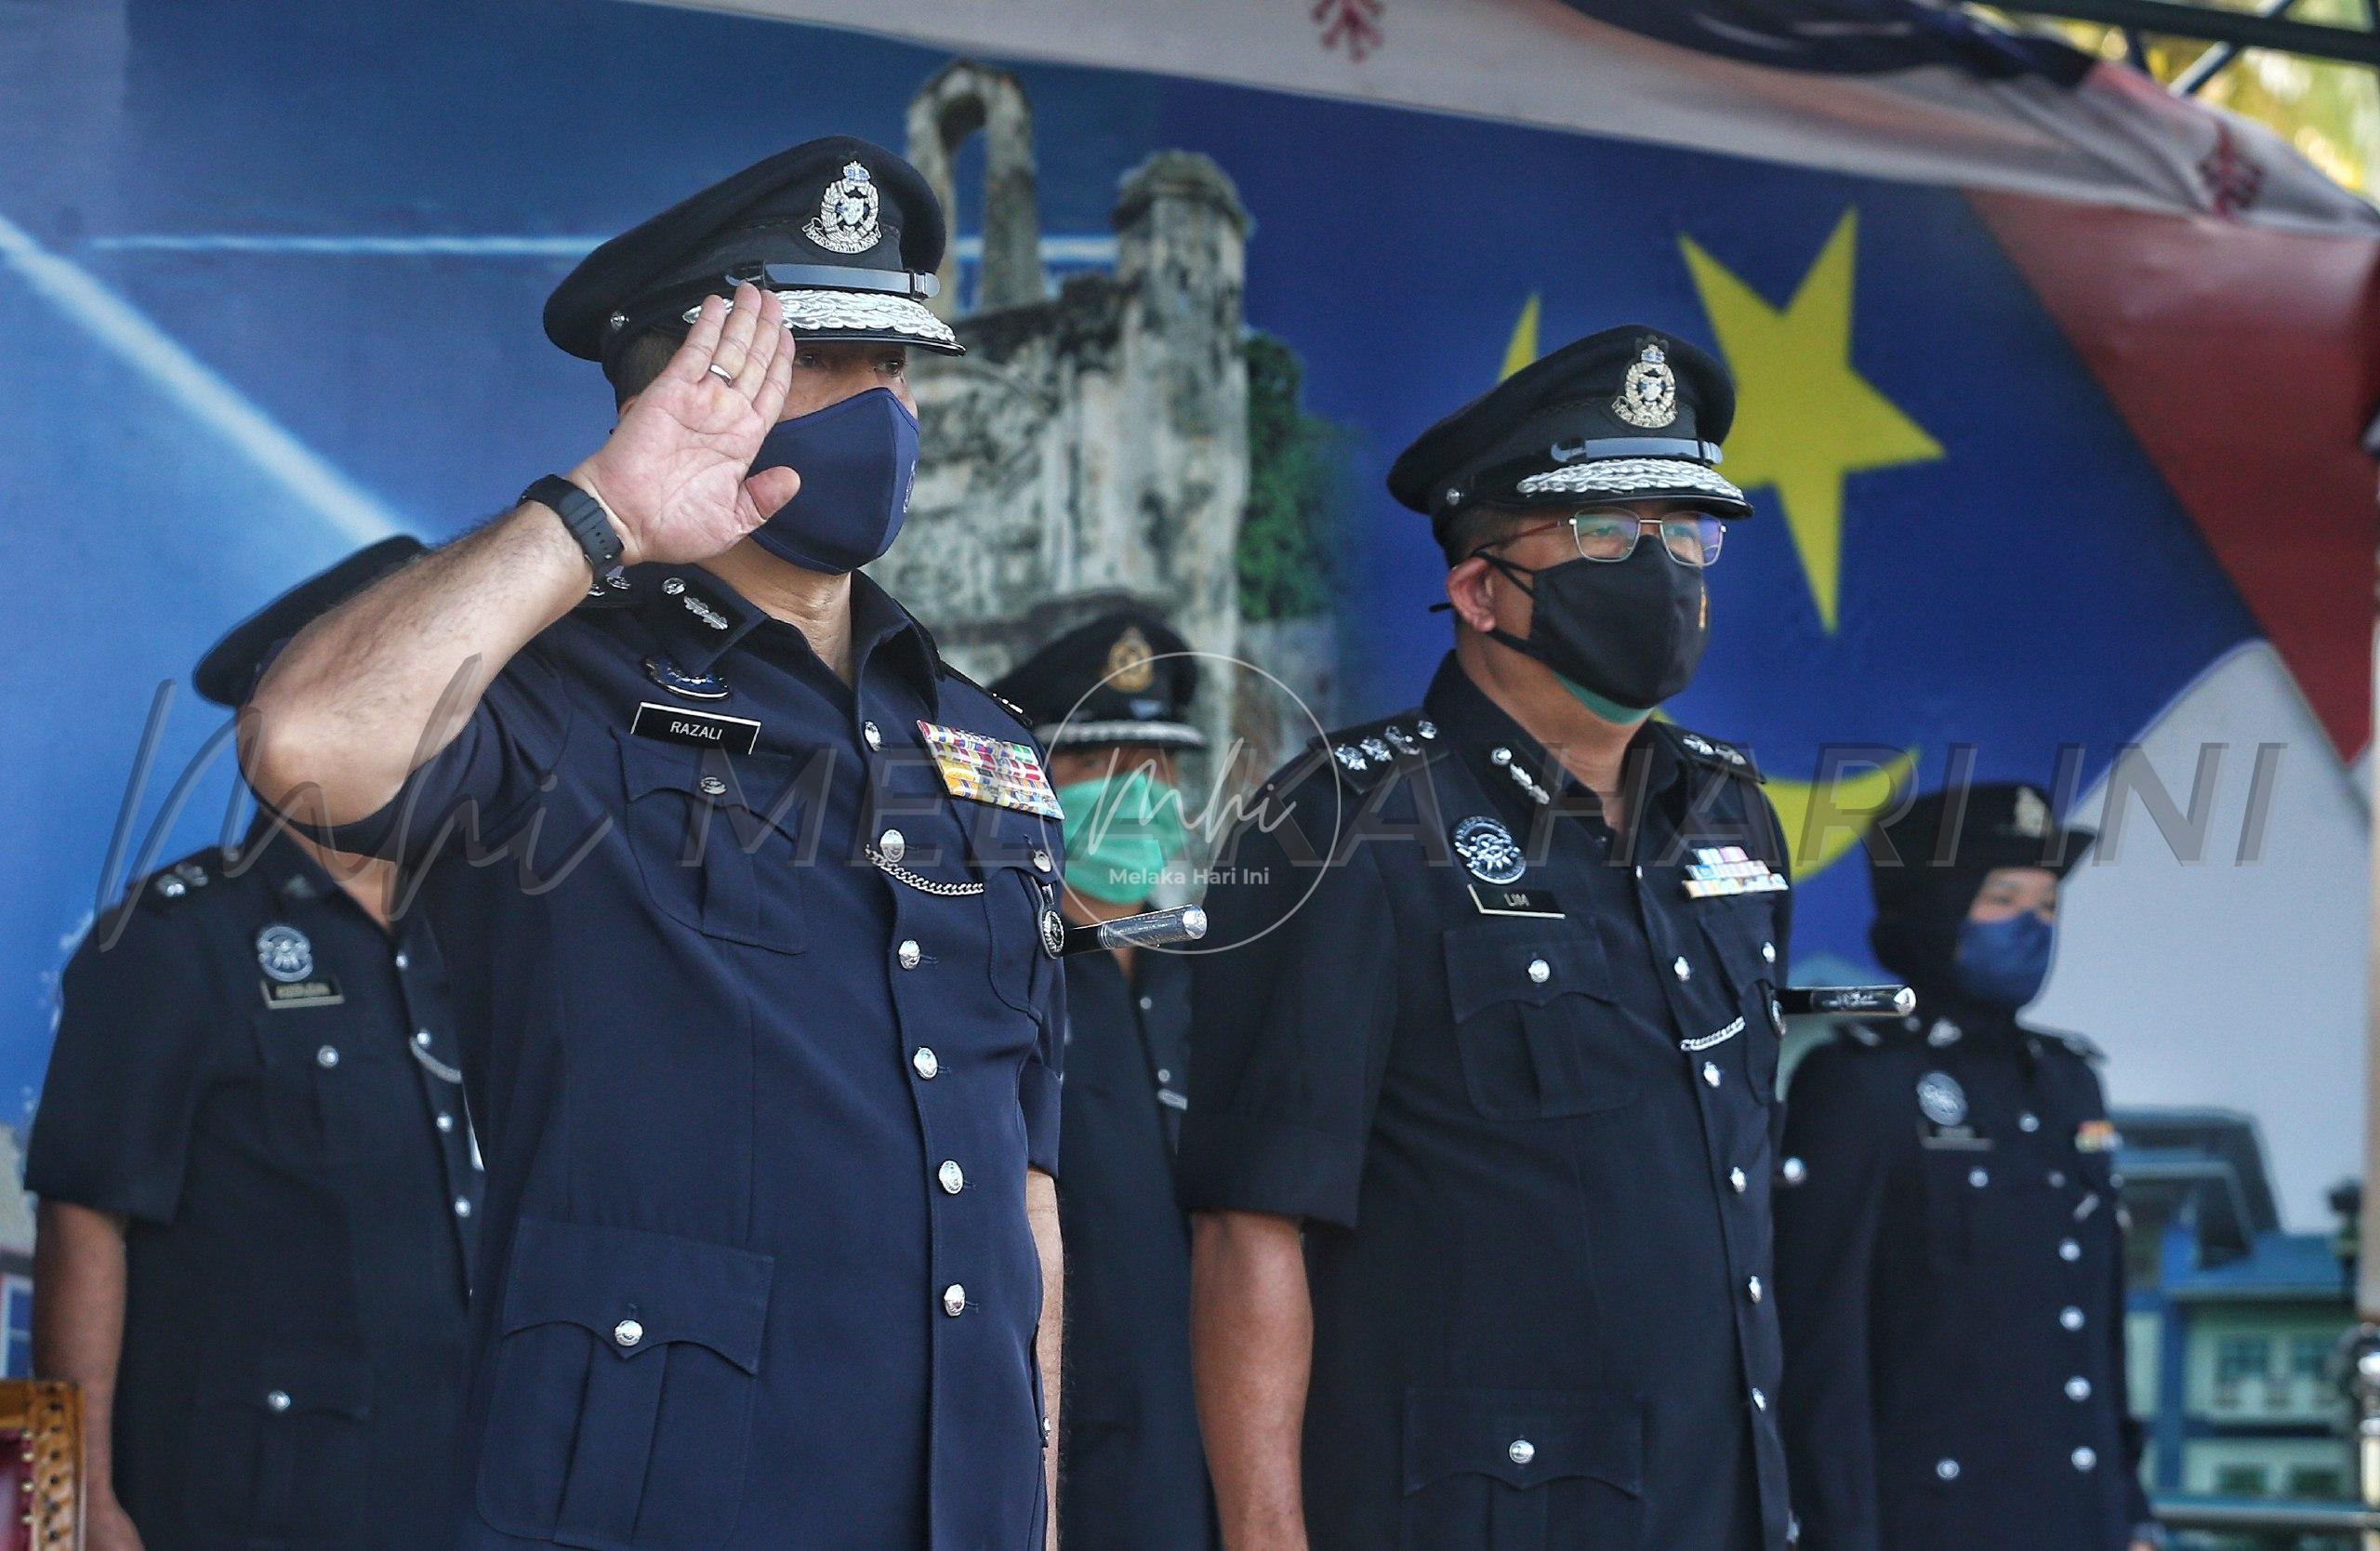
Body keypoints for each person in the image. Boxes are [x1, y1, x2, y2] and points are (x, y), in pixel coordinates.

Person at [239, 139, 1068, 1550]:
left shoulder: (987, 746)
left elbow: (1025, 1194)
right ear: (689, 381)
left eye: (896, 362)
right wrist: (607, 513)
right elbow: (310, 746)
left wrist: (1034, 1509)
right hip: (664, 1502)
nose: (884, 404)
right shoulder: (554, 689)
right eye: (825, 357)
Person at [1180, 327, 1795, 1550]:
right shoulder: (1349, 822)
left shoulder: (1733, 818)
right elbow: (1253, 1225)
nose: (1664, 567)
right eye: (1613, 533)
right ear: (1479, 590)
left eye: (1688, 531)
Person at [29, 537, 483, 1551]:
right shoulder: (176, 937)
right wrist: (58, 1518)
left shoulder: (483, 941)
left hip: (459, 1500)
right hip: (248, 1509)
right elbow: (77, 1226)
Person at [1774, 782, 2160, 1551]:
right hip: (1932, 1524)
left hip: (2078, 1523)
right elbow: (1822, 1355)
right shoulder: (1858, 1083)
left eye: (2048, 904)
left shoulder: (2068, 1080)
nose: (2033, 924)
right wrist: (1838, 1534)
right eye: (2004, 897)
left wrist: (2131, 1514)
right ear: (1934, 908)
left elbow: (2095, 1333)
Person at [992, 607, 1218, 1550]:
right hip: (1057, 1479)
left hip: (1214, 1469)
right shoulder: (996, 985)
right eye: (1097, 765)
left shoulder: (1210, 980)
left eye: (1158, 767)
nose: (1139, 792)